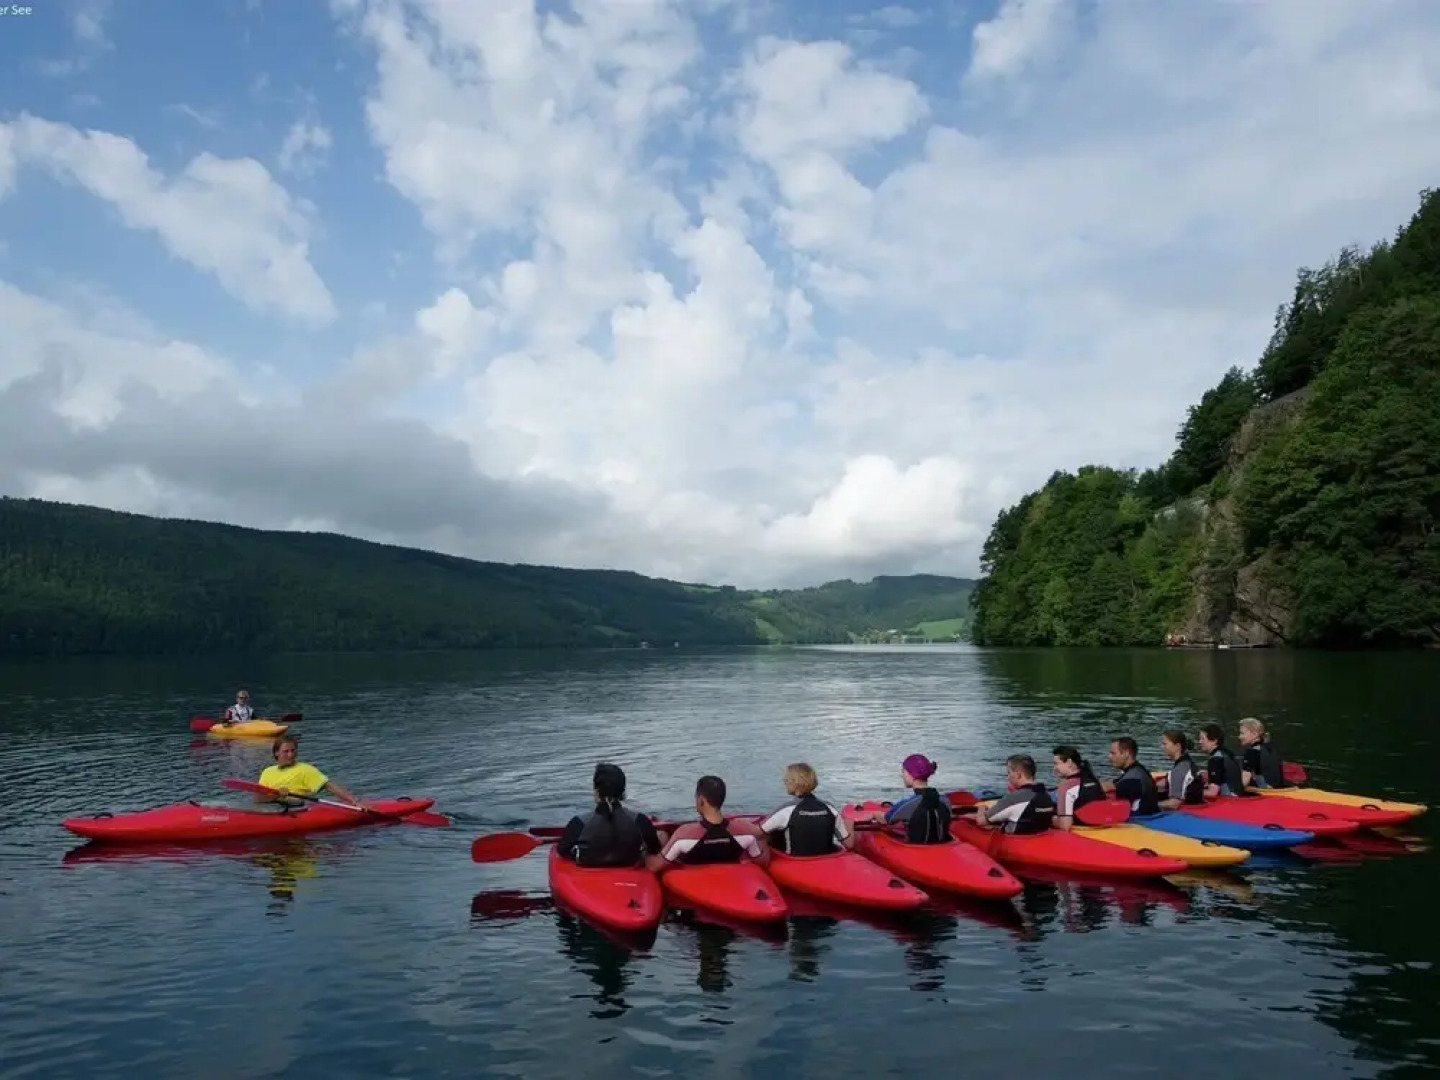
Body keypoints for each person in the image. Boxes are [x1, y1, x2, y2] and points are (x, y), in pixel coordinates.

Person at [556, 762, 664, 868]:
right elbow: (654, 849)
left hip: (587, 867)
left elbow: (562, 851)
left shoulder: (579, 823)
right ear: (623, 793)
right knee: (662, 835)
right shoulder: (639, 820)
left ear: (596, 792)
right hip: (629, 866)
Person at [651, 775, 770, 871]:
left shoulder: (684, 833)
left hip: (693, 880)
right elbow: (763, 862)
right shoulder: (745, 831)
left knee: (662, 837)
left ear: (701, 800)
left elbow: (655, 866)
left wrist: (644, 854)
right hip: (730, 877)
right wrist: (762, 837)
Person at [759, 762, 853, 856]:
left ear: (795, 782)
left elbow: (757, 832)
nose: (785, 782)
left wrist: (745, 824)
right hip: (825, 862)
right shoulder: (830, 809)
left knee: (764, 837)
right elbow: (849, 844)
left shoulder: (786, 810)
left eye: (787, 779)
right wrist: (849, 825)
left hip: (795, 863)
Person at [255, 735, 365, 810]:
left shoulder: (305, 769)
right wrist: (276, 795)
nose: (291, 755)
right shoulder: (267, 772)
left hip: (295, 808)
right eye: (286, 751)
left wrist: (356, 802)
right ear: (276, 753)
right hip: (271, 809)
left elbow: (330, 787)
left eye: (293, 751)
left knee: (294, 800)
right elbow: (258, 799)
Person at [865, 753, 952, 844]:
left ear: (912, 774)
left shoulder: (908, 803)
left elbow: (886, 819)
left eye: (903, 771)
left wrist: (874, 814)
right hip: (942, 849)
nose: (902, 775)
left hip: (917, 851)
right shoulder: (945, 800)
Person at [971, 754, 1055, 834]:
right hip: (1039, 838)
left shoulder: (1014, 798)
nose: (1008, 777)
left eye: (1009, 773)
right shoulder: (1046, 796)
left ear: (1018, 775)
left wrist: (982, 808)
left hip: (1016, 841)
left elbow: (981, 821)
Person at [1102, 736, 1161, 815]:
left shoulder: (1131, 780)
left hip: (1141, 820)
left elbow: (1118, 811)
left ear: (1126, 754)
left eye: (1113, 753)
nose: (1109, 756)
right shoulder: (1138, 770)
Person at [1052, 745, 1106, 830]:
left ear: (1069, 762)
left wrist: (1046, 819)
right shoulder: (1092, 778)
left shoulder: (1066, 787)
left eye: (1056, 764)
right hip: (1099, 823)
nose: (1054, 768)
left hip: (1084, 827)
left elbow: (1065, 825)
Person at [1155, 729, 1206, 809]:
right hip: (1197, 803)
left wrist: (1151, 805)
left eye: (1165, 744)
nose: (1163, 747)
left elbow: (1174, 803)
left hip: (1188, 813)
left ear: (1178, 746)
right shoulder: (1187, 761)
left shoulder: (1179, 769)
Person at [1238, 717, 1291, 789]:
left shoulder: (1251, 752)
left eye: (1242, 733)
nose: (1239, 737)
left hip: (1266, 793)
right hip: (1279, 789)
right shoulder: (1271, 748)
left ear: (1254, 734)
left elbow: (1244, 782)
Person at [1197, 722, 1247, 797]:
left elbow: (1212, 793)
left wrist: (1189, 793)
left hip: (1229, 800)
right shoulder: (1227, 752)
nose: (1199, 742)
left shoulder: (1215, 759)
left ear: (1214, 740)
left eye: (1202, 739)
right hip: (1238, 794)